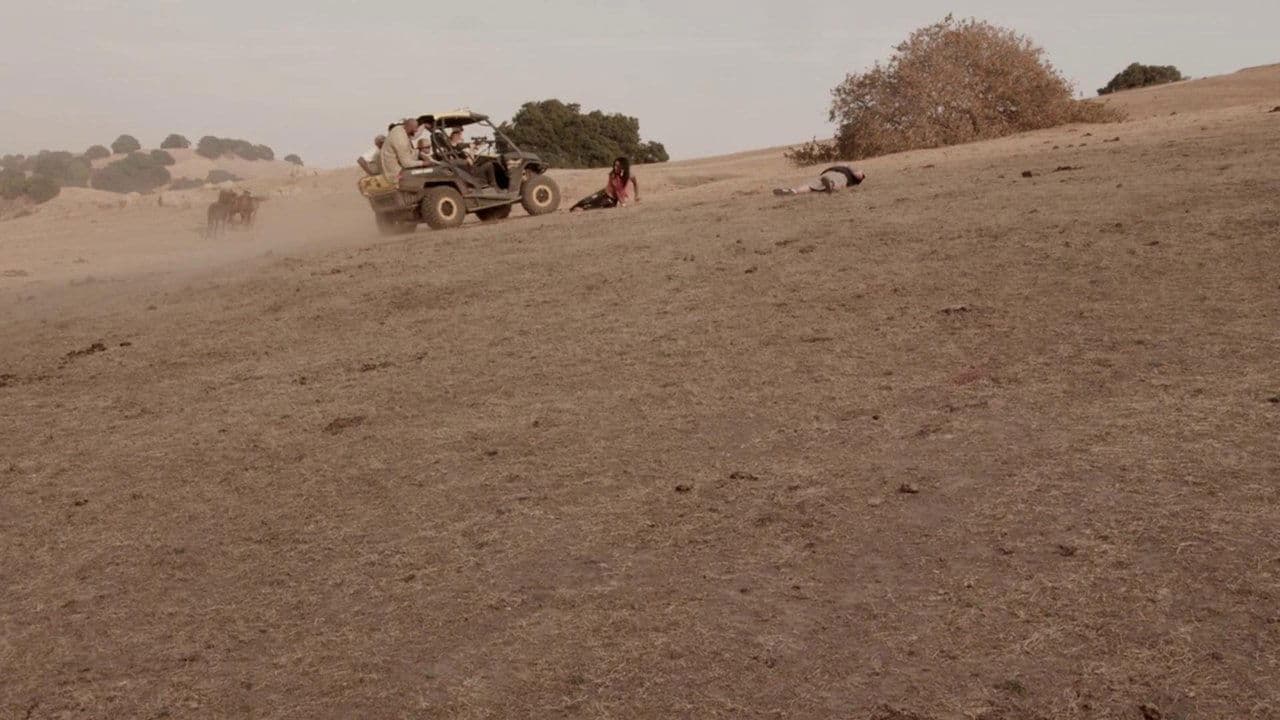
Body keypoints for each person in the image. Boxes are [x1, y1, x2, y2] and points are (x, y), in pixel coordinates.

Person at [569, 157, 641, 212]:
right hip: (602, 193)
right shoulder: (613, 175)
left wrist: (636, 196)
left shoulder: (630, 175)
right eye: (615, 165)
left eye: (617, 166)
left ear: (623, 166)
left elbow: (635, 184)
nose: (615, 167)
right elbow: (617, 190)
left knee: (587, 208)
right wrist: (623, 204)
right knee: (583, 202)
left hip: (610, 200)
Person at [380, 117, 424, 182]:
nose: (416, 130)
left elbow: (408, 152)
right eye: (415, 128)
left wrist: (419, 153)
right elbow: (406, 163)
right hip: (396, 174)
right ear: (409, 127)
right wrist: (424, 163)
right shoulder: (400, 140)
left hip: (396, 168)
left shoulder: (399, 129)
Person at [773, 165, 865, 196]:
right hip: (830, 174)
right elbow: (858, 174)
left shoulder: (851, 173)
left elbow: (859, 175)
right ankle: (793, 191)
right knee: (813, 184)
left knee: (812, 185)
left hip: (837, 175)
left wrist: (849, 167)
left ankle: (794, 191)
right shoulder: (847, 169)